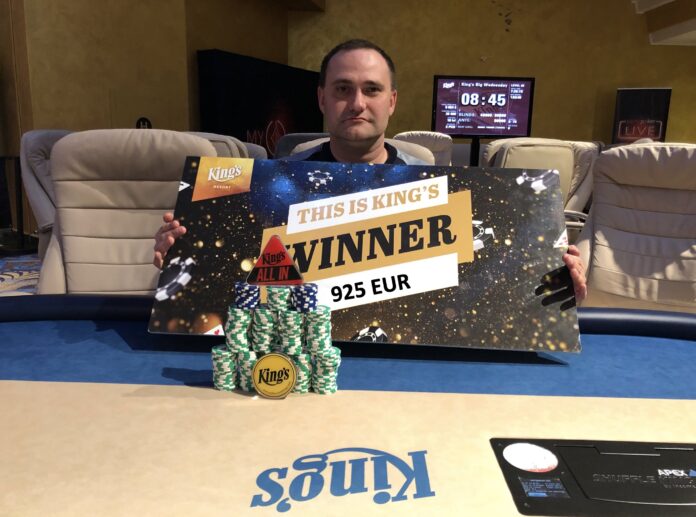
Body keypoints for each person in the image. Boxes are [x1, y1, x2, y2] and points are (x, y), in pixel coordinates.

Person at [154, 39, 587, 301]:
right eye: (343, 89)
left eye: (372, 90)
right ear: (322, 99)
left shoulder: (440, 188)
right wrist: (185, 255)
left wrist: (554, 284)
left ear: (391, 101)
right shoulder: (272, 182)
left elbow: (476, 288)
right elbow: (235, 287)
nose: (357, 103)